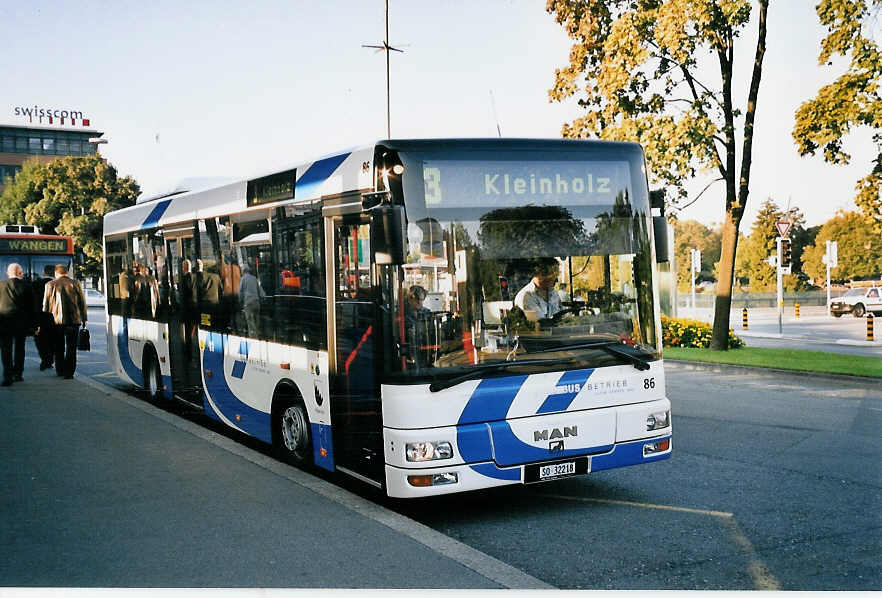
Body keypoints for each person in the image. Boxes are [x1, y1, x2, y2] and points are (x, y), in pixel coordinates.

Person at [42, 264, 87, 380]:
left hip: (56, 321)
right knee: (71, 347)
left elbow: (45, 306)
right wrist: (84, 318)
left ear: (56, 273)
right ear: (67, 272)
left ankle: (60, 370)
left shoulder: (49, 285)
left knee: (58, 346)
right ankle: (69, 372)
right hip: (73, 320)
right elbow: (82, 302)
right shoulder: (75, 283)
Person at [0, 263, 34, 386]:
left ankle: (7, 376)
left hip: (4, 321)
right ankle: (18, 374)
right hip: (21, 322)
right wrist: (34, 325)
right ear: (20, 273)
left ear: (8, 273)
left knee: (5, 348)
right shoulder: (27, 286)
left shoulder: (0, 285)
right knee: (20, 348)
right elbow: (32, 308)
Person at [32, 264, 56, 370]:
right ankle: (51, 360)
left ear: (43, 272)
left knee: (41, 340)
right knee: (54, 339)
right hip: (55, 318)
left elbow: (32, 303)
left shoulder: (35, 284)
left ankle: (45, 360)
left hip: (40, 317)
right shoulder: (57, 284)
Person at [237, 264, 265, 337]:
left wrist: (240, 300)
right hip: (256, 302)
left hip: (248, 303)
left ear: (243, 271)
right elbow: (261, 291)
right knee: (256, 321)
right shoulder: (254, 278)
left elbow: (240, 292)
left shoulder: (243, 279)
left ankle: (253, 338)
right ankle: (258, 335)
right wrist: (263, 298)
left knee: (250, 322)